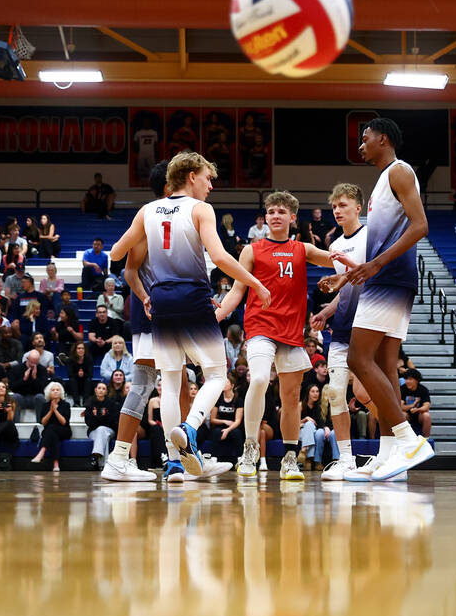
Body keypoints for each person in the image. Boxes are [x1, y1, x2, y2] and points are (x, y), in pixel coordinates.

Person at [109, 151, 270, 480]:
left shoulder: (147, 211)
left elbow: (115, 253)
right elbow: (220, 256)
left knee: (168, 383)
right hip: (193, 296)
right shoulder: (201, 209)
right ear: (191, 175)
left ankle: (174, 463)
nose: (211, 184)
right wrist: (254, 282)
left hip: (160, 300)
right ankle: (190, 427)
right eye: (208, 177)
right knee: (215, 374)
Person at [215, 189, 340, 480]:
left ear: (292, 217)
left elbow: (336, 259)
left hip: (292, 332)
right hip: (260, 326)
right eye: (271, 212)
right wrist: (219, 314)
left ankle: (289, 458)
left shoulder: (303, 249)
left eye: (281, 211)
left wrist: (363, 259)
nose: (275, 216)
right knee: (258, 379)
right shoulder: (251, 250)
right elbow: (237, 291)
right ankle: (249, 448)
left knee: (291, 397)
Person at [337, 118, 435, 482]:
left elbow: (421, 225)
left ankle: (409, 439)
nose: (361, 145)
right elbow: (380, 239)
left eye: (365, 139)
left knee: (357, 358)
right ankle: (390, 452)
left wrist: (376, 264)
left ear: (383, 139)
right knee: (384, 363)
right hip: (386, 275)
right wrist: (352, 271)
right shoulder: (382, 180)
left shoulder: (400, 171)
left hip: (391, 277)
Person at [30, 382, 71, 472]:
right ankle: (56, 464)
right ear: (49, 392)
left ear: (61, 392)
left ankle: (42, 452)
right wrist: (50, 411)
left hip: (64, 431)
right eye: (53, 390)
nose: (55, 392)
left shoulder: (66, 405)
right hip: (50, 431)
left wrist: (55, 410)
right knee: (53, 435)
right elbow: (43, 422)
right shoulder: (45, 405)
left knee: (51, 428)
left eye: (57, 390)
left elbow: (64, 422)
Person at [296, 383, 336, 470]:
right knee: (309, 425)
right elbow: (294, 424)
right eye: (313, 391)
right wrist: (305, 420)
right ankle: (306, 455)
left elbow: (319, 423)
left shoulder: (318, 406)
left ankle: (306, 456)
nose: (315, 394)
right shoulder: (301, 405)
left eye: (317, 391)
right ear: (308, 393)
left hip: (312, 432)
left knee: (314, 431)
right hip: (299, 432)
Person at [207, 376, 245, 464]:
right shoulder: (218, 399)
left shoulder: (238, 400)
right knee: (216, 432)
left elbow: (238, 421)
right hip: (220, 425)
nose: (223, 384)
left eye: (226, 382)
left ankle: (240, 460)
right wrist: (224, 421)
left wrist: (227, 430)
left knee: (237, 433)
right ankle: (213, 459)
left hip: (233, 426)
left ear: (232, 385)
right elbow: (212, 419)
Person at [85, 381, 118, 465]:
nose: (101, 390)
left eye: (103, 389)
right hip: (93, 431)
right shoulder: (89, 403)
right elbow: (89, 423)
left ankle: (96, 455)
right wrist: (102, 417)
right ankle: (104, 465)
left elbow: (113, 422)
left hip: (110, 430)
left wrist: (98, 417)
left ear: (106, 391)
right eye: (99, 388)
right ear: (95, 390)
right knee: (103, 436)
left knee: (102, 430)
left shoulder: (111, 404)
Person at [399, 368, 432, 438]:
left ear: (416, 380)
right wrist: (412, 405)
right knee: (402, 414)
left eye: (410, 379)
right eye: (406, 379)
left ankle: (426, 439)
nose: (407, 381)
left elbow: (426, 406)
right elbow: (400, 407)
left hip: (419, 415)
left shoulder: (423, 390)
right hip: (407, 414)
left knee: (426, 415)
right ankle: (404, 438)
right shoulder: (402, 389)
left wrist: (417, 410)